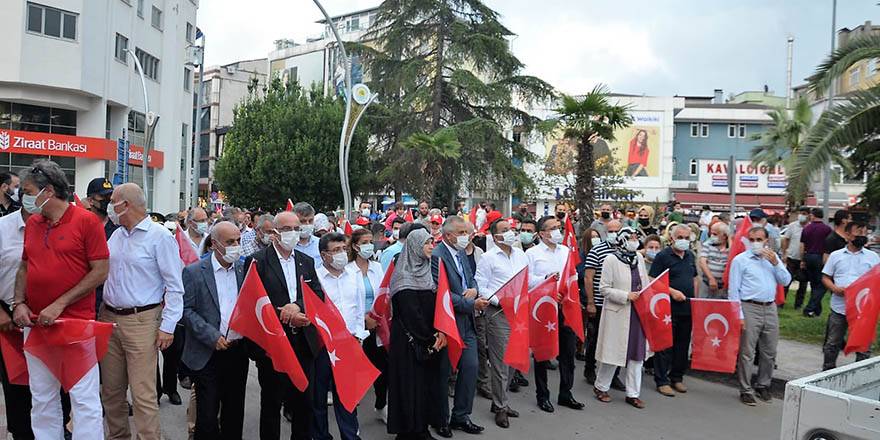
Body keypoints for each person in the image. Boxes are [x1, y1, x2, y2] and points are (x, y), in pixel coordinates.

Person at [11, 161, 109, 439]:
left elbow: (100, 271)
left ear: (48, 191)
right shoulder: (33, 224)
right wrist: (19, 302)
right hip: (36, 324)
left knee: (83, 398)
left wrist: (59, 304)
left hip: (75, 324)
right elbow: (25, 266)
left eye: (28, 191)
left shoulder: (87, 221)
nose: (24, 197)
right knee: (42, 397)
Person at [98, 183, 184, 440]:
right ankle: (118, 436)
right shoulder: (116, 235)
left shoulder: (160, 237)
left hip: (142, 321)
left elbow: (175, 287)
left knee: (143, 394)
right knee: (111, 392)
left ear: (126, 205)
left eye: (113, 201)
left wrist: (167, 326)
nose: (109, 206)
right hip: (109, 318)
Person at [244, 210, 324, 440]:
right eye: (288, 229)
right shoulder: (258, 261)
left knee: (303, 402)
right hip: (273, 345)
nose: (293, 233)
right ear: (275, 232)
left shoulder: (306, 261)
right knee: (271, 403)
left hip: (303, 342)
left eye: (296, 228)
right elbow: (252, 302)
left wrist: (297, 306)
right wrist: (283, 315)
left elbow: (316, 294)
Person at [181, 221, 248, 440]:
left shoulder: (244, 268)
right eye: (230, 242)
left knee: (234, 411)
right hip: (206, 352)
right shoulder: (194, 272)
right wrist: (212, 336)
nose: (236, 246)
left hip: (237, 351)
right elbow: (187, 310)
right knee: (207, 416)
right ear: (214, 244)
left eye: (238, 240)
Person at [386, 228, 447, 440]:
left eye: (432, 242)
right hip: (408, 341)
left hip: (428, 339)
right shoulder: (403, 275)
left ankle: (421, 428)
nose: (432, 246)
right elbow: (411, 314)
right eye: (427, 243)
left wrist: (439, 333)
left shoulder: (428, 269)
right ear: (414, 247)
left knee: (424, 386)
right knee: (408, 386)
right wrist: (431, 338)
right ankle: (408, 432)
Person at [431, 216, 489, 436]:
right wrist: (470, 302)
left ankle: (461, 416)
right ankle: (441, 419)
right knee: (443, 373)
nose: (467, 236)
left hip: (467, 323)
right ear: (448, 235)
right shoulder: (437, 256)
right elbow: (441, 294)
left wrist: (474, 290)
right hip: (447, 323)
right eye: (462, 233)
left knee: (471, 368)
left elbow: (471, 278)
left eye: (467, 232)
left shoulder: (463, 253)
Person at [527, 215, 584, 413]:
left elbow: (573, 276)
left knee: (568, 353)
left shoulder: (566, 252)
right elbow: (527, 280)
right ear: (542, 233)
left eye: (558, 227)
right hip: (544, 309)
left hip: (565, 307)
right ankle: (542, 395)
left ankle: (566, 393)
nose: (557, 231)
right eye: (552, 228)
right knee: (542, 354)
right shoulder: (532, 253)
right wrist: (546, 280)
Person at [474, 218, 528, 428]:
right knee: (501, 363)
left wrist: (546, 279)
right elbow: (481, 286)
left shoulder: (521, 255)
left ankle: (500, 402)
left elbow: (527, 280)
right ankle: (501, 406)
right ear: (495, 236)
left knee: (515, 360)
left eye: (511, 229)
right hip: (499, 314)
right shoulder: (488, 258)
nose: (511, 233)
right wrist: (501, 301)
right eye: (505, 230)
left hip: (520, 313)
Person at [728, 226, 791, 406]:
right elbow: (734, 290)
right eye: (752, 239)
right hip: (749, 307)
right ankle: (745, 389)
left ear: (766, 241)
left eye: (759, 239)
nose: (756, 243)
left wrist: (776, 263)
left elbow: (785, 281)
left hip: (770, 307)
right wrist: (738, 315)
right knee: (747, 352)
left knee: (769, 351)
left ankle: (763, 385)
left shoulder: (772, 258)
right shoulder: (740, 261)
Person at [313, 232, 367, 440]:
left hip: (349, 343)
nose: (341, 254)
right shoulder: (315, 277)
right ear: (324, 255)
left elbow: (359, 308)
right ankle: (320, 435)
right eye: (336, 250)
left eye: (344, 249)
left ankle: (350, 435)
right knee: (318, 397)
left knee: (347, 396)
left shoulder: (354, 275)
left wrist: (359, 336)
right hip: (323, 346)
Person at [593, 227, 649, 408]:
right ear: (623, 239)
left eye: (636, 237)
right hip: (618, 312)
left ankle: (633, 393)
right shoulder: (611, 259)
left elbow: (645, 282)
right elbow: (604, 288)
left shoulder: (639, 258)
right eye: (631, 237)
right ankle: (601, 387)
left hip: (637, 313)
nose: (634, 240)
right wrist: (625, 295)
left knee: (636, 354)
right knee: (612, 353)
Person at [821, 221, 878, 370]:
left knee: (863, 346)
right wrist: (835, 288)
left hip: (863, 310)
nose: (862, 236)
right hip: (839, 307)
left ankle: (860, 377)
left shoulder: (873, 257)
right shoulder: (836, 256)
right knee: (832, 344)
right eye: (858, 233)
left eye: (865, 233)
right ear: (847, 235)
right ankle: (827, 374)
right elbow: (825, 277)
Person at [649, 224, 698, 397]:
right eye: (680, 237)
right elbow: (653, 280)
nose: (684, 241)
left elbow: (694, 278)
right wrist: (672, 291)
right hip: (667, 309)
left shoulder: (690, 256)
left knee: (682, 345)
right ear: (672, 238)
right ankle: (661, 380)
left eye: (687, 237)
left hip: (687, 308)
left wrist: (696, 300)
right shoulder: (663, 256)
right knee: (665, 345)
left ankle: (676, 377)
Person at [0, 204, 36, 440]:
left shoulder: (57, 226)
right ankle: (21, 433)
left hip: (45, 316)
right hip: (8, 318)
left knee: (51, 385)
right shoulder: (3, 227)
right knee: (17, 384)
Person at [348, 228, 389, 423]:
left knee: (382, 369)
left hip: (377, 325)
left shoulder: (377, 267)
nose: (369, 246)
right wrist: (362, 319)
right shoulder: (347, 270)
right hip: (356, 327)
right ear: (355, 246)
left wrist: (375, 317)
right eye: (364, 242)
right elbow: (347, 300)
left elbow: (383, 294)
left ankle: (381, 405)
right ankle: (350, 412)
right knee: (355, 371)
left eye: (370, 241)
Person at [583, 220, 624, 385]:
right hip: (600, 303)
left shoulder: (625, 251)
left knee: (617, 340)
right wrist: (591, 302)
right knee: (595, 338)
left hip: (620, 303)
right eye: (611, 231)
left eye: (617, 230)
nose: (614, 234)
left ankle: (613, 375)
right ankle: (590, 369)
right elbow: (588, 277)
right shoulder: (597, 250)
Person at [801, 208, 833, 318]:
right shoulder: (827, 229)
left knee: (814, 284)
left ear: (813, 216)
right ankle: (810, 308)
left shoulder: (807, 228)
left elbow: (802, 246)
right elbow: (829, 245)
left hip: (808, 256)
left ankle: (816, 310)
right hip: (821, 257)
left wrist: (802, 259)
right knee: (822, 285)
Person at [781, 207, 810, 309]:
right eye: (801, 213)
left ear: (809, 215)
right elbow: (786, 239)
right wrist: (784, 253)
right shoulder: (792, 226)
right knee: (786, 281)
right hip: (792, 257)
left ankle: (798, 304)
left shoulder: (810, 227)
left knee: (803, 283)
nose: (802, 215)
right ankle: (781, 301)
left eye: (804, 213)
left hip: (804, 259)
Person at [699, 222, 729, 299]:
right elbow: (703, 262)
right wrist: (711, 278)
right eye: (711, 234)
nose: (712, 236)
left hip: (724, 288)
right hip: (707, 284)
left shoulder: (730, 248)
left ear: (724, 236)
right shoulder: (707, 244)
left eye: (715, 234)